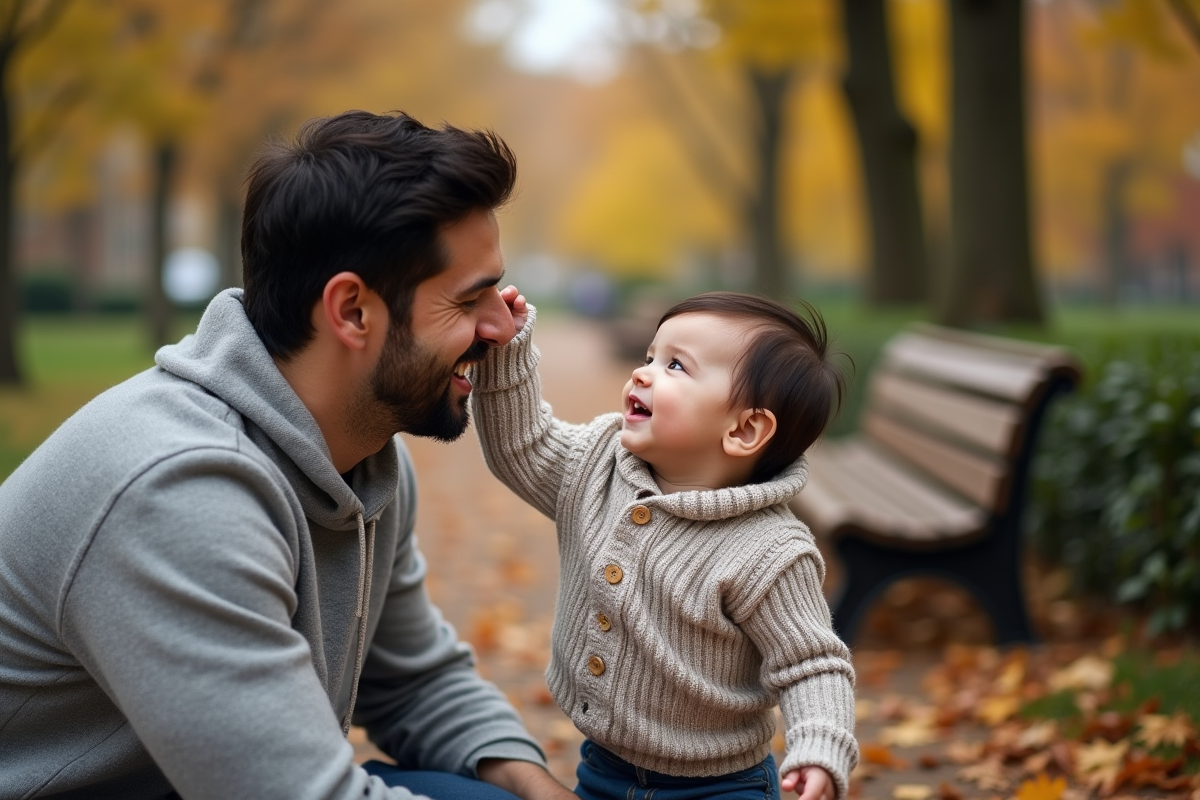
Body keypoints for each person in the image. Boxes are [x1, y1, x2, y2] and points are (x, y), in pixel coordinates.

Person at [0, 111, 576, 800]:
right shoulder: (178, 492)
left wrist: (538, 788)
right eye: (469, 298)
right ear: (352, 311)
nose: (505, 326)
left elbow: (414, 679)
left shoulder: (366, 459)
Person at [471, 290, 859, 800]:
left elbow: (811, 663)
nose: (642, 373)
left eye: (676, 365)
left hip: (721, 787)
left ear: (745, 428)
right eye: (650, 355)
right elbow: (523, 447)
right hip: (604, 768)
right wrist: (506, 351)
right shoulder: (598, 465)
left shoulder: (771, 552)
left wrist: (821, 748)